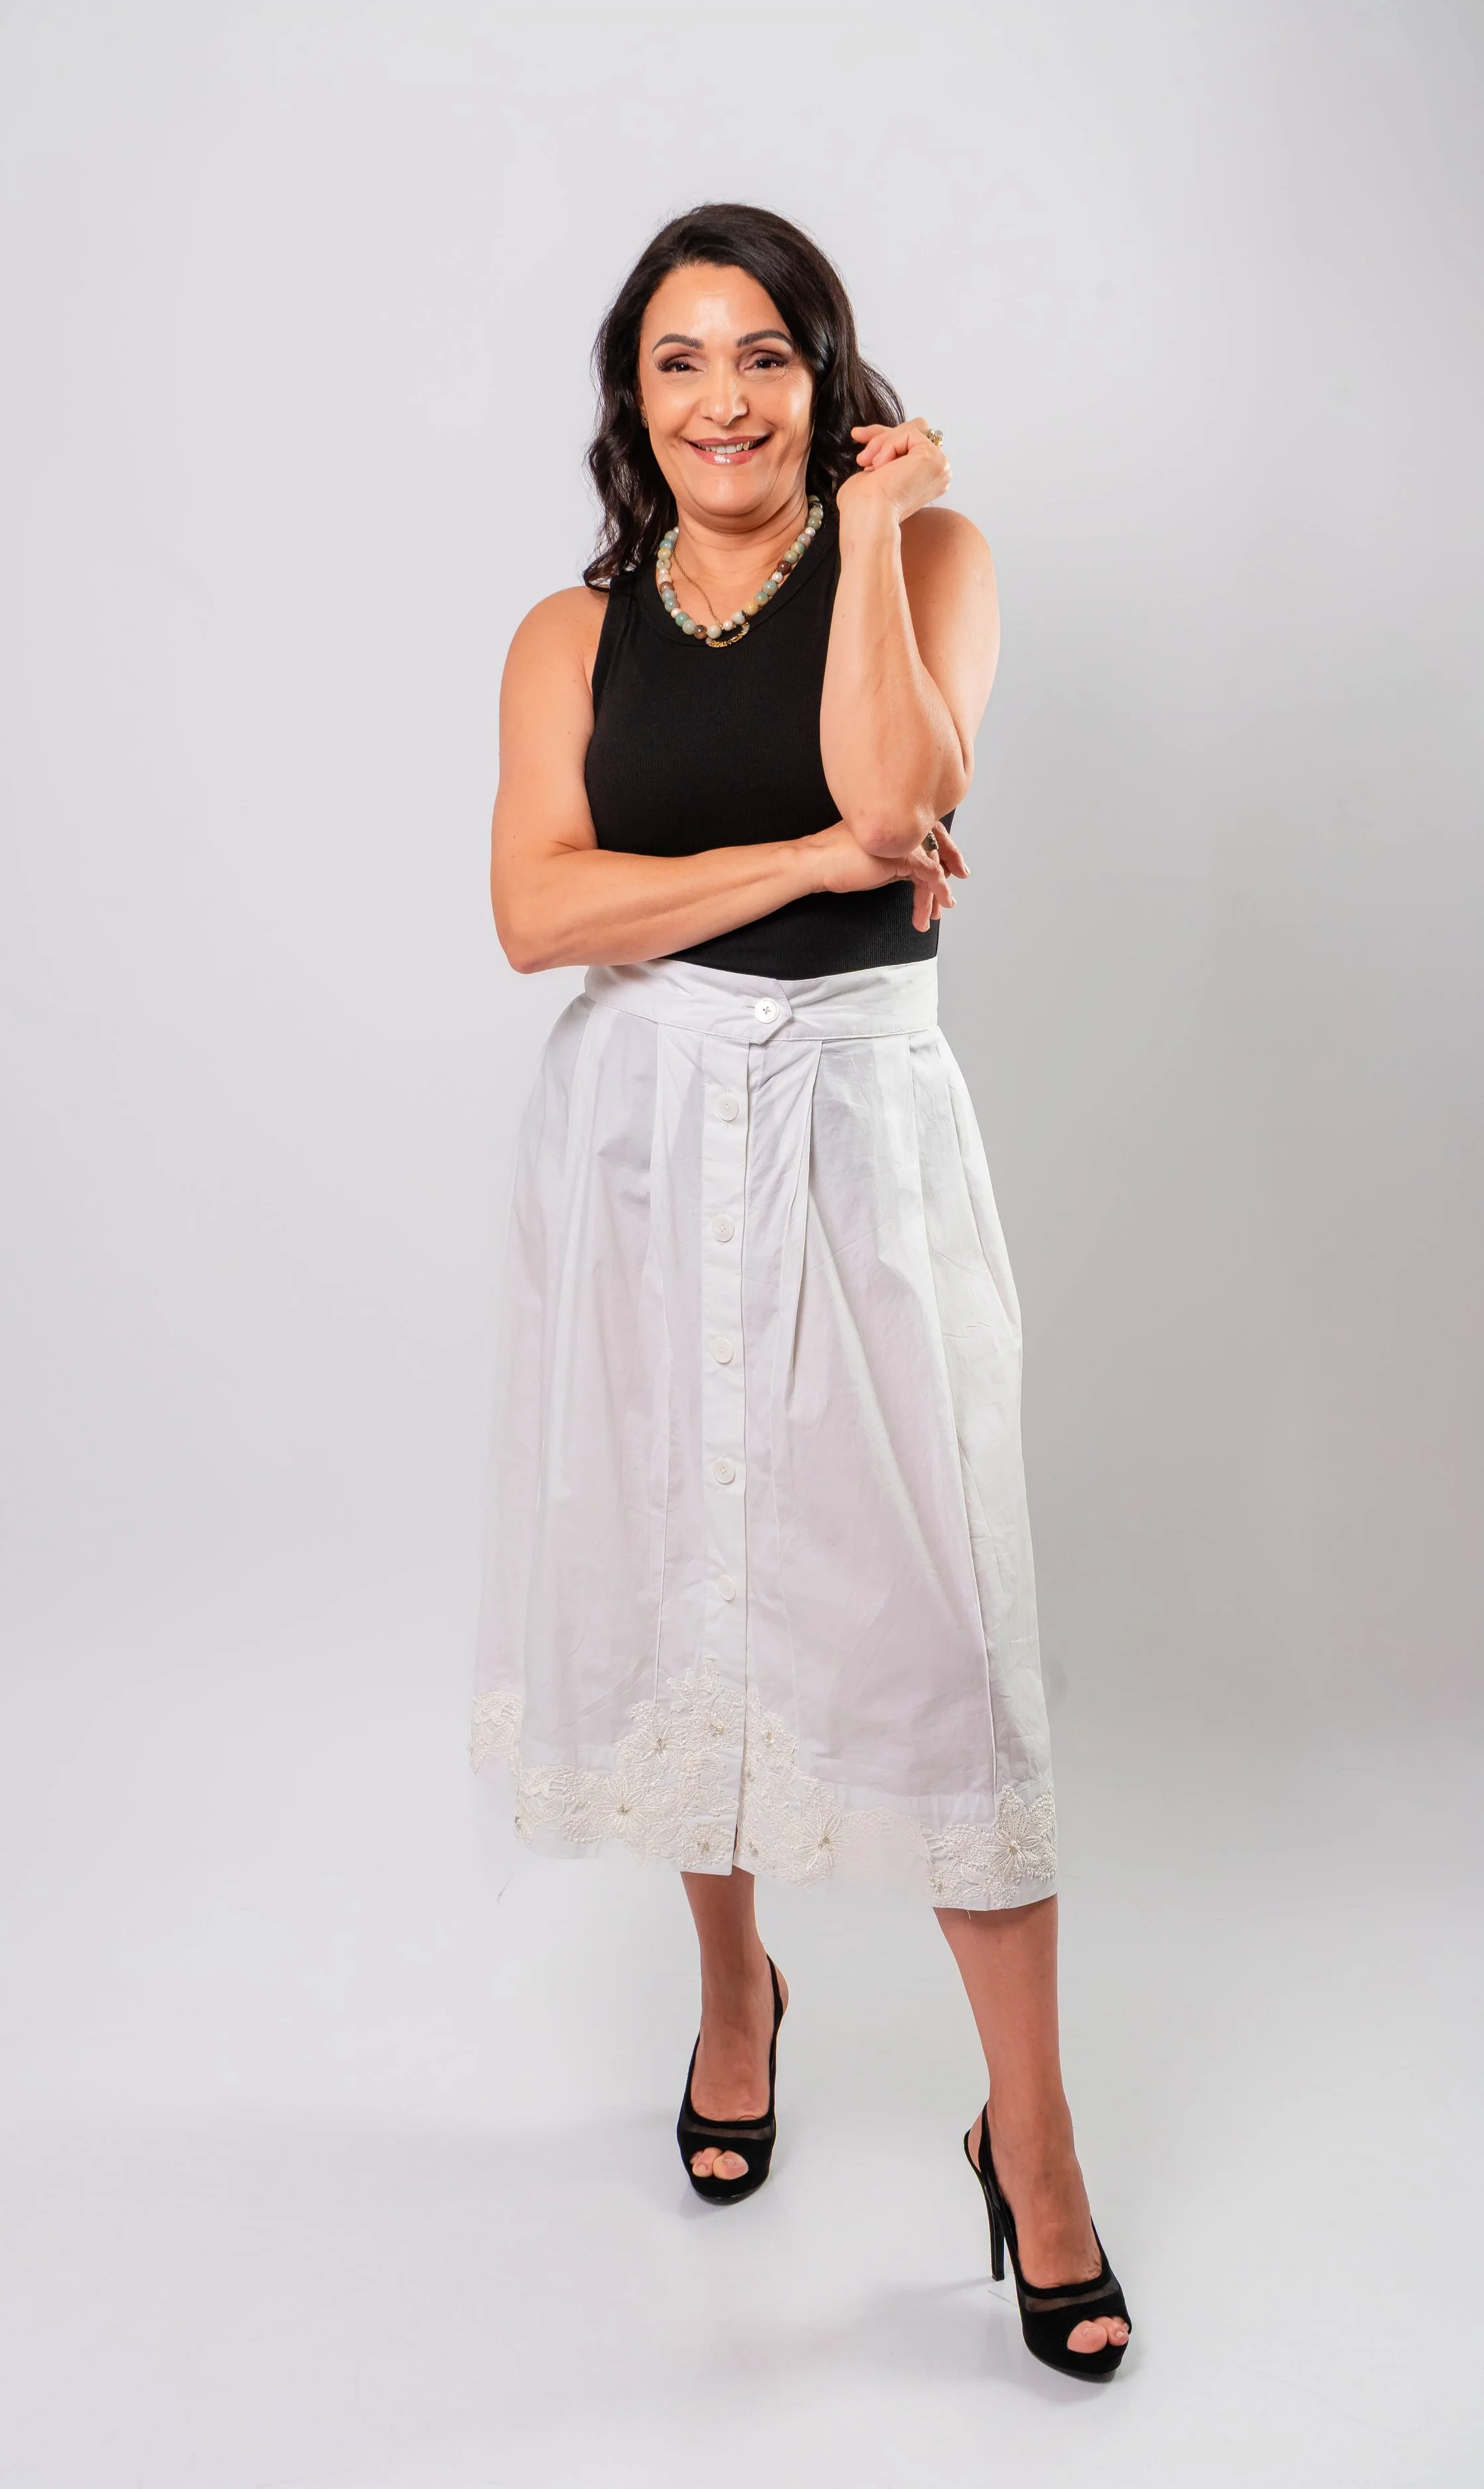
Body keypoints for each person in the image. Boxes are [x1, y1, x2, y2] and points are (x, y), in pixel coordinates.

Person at [473, 202, 1131, 2377]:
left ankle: (1027, 2144)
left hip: (859, 1120)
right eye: (679, 363)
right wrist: (796, 872)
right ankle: (732, 1987)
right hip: (641, 1140)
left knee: (951, 1635)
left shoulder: (929, 563)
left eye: (765, 357)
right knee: (687, 1585)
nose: (724, 401)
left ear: (829, 383)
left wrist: (877, 534)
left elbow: (896, 786)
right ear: (630, 401)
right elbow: (537, 916)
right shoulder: (565, 641)